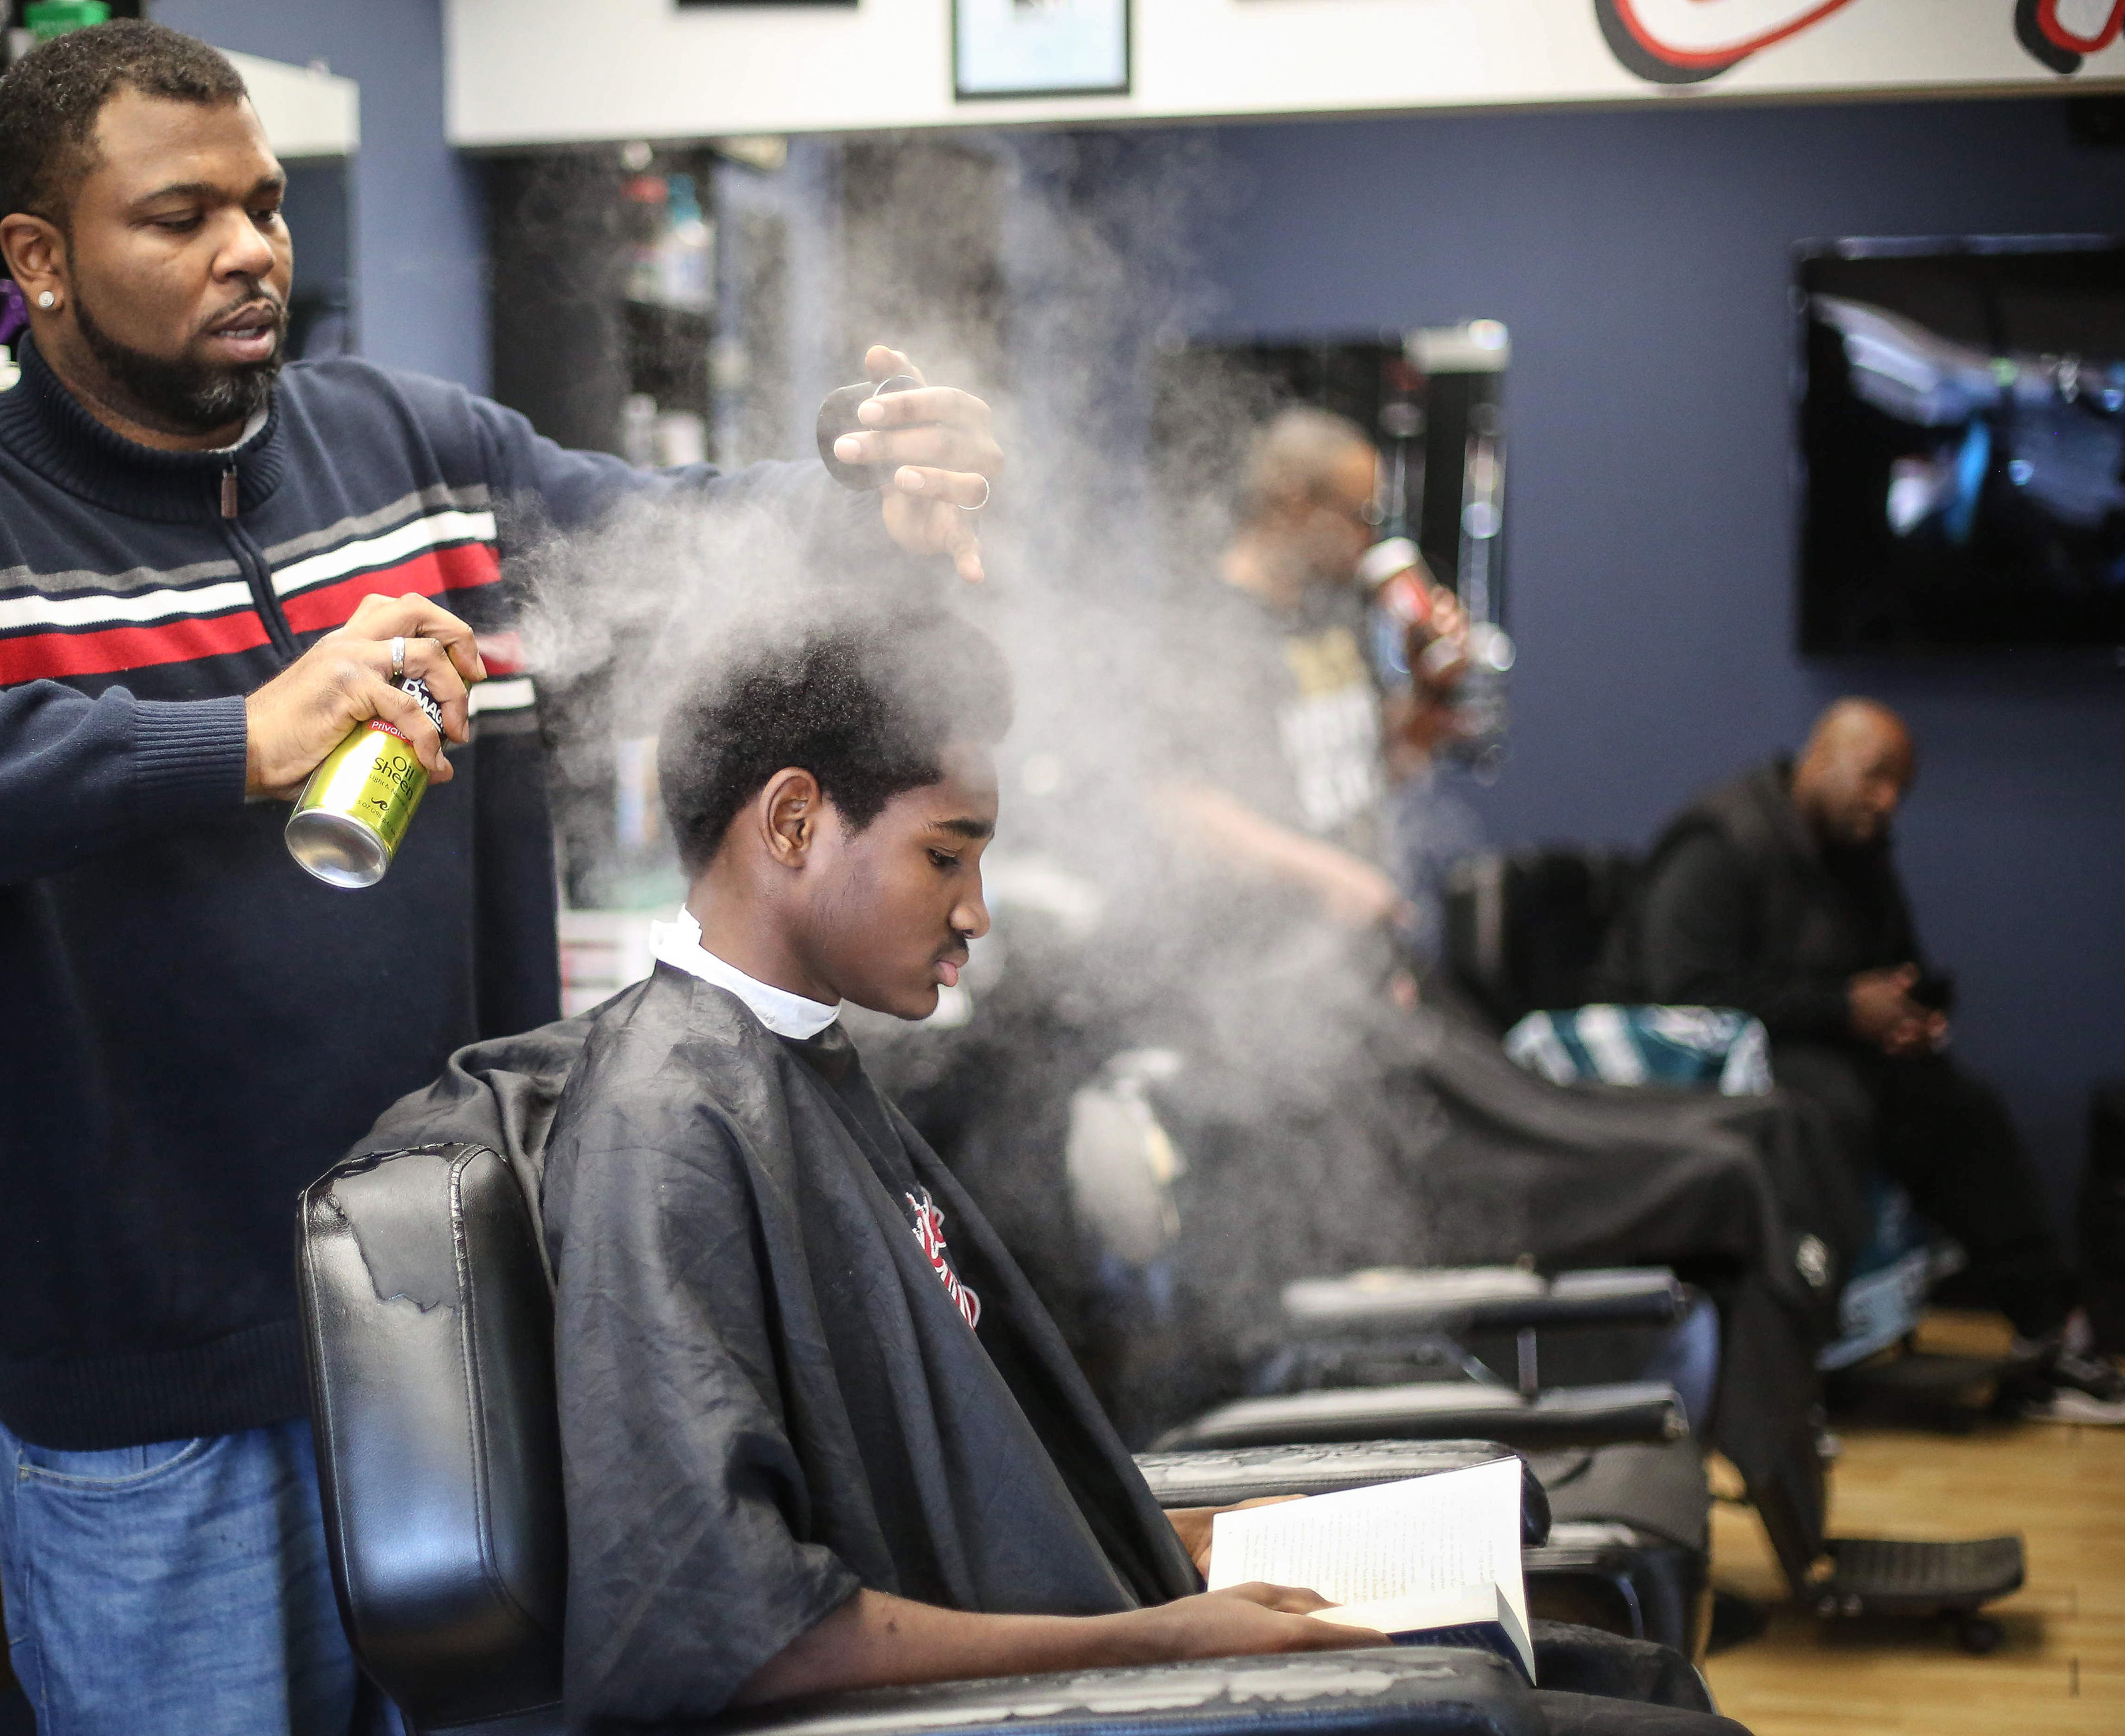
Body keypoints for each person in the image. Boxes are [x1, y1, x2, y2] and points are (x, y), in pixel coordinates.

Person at [0, 22, 1000, 1733]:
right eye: (177, 218)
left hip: (472, 1344)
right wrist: (226, 740)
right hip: (153, 1419)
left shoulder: (416, 457)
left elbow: (678, 536)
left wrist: (857, 503)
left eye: (267, 206)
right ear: (38, 261)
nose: (249, 251)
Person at [528, 595, 1746, 1736]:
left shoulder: (804, 1071)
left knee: (1628, 1679)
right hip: (1062, 1708)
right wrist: (1153, 1636)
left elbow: (947, 1481)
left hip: (1101, 1653)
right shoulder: (668, 1126)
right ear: (794, 821)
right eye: (946, 855)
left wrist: (1192, 1535)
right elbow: (718, 1626)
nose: (977, 911)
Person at [1598, 697, 2125, 1424]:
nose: (1886, 800)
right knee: (1828, 1113)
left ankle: (2055, 1337)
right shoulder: (1721, 837)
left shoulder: (1860, 848)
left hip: (1823, 1043)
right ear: (1821, 757)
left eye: (1899, 787)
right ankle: (1800, 1362)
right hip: (1716, 1061)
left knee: (1959, 1107)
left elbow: (1891, 960)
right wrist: (1842, 1006)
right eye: (1874, 778)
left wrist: (1907, 1013)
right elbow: (1682, 991)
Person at [1147, 407, 1477, 961]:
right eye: (1360, 514)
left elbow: (1374, 766)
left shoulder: (1333, 613)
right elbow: (1177, 805)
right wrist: (1328, 876)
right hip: (1253, 958)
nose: (1372, 538)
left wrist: (1430, 691)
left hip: (1348, 948)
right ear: (1296, 503)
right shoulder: (1202, 626)